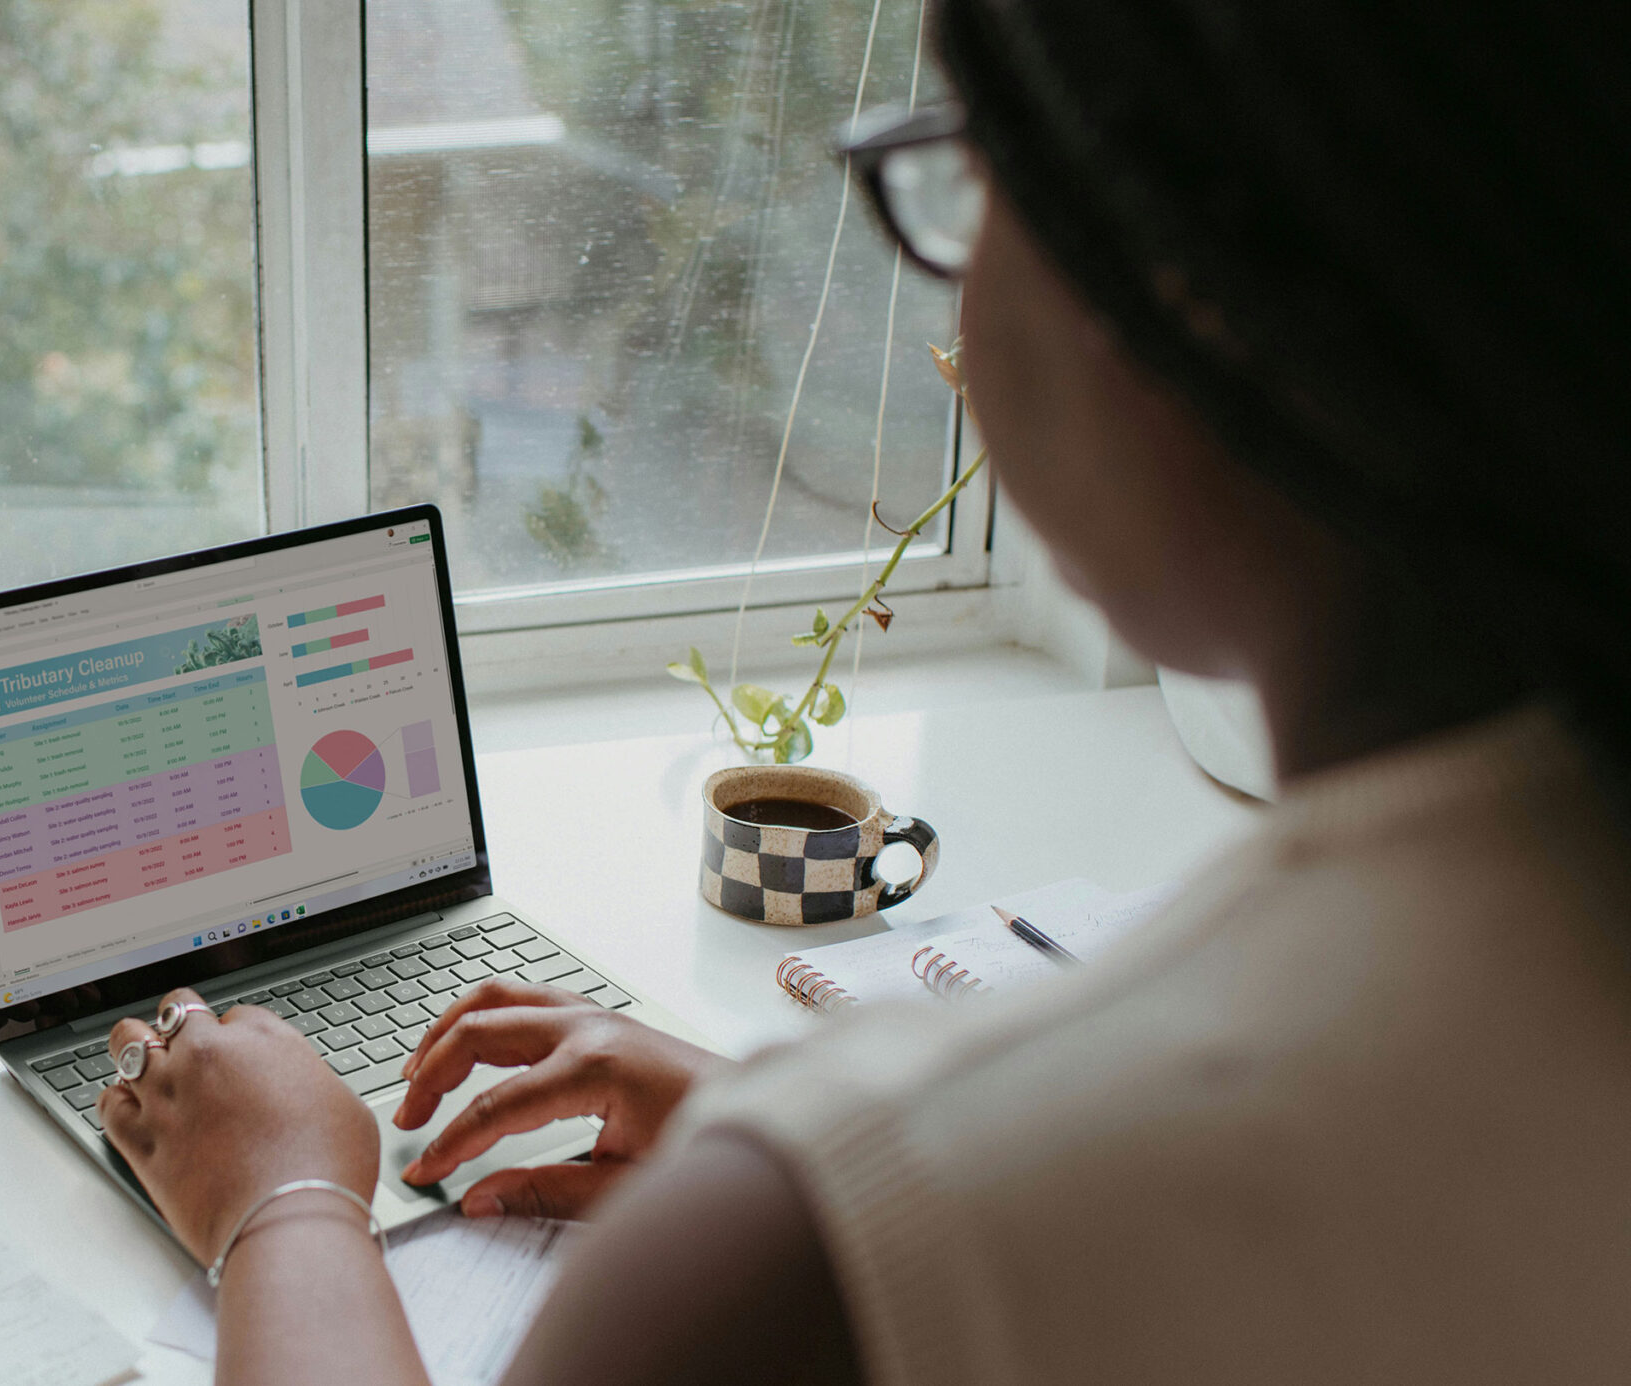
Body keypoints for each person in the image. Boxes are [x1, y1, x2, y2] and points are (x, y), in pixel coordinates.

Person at [96, 0, 1631, 1379]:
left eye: (965, 167)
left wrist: (285, 1197)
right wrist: (757, 1118)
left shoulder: (804, 1251)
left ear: (1185, 276)